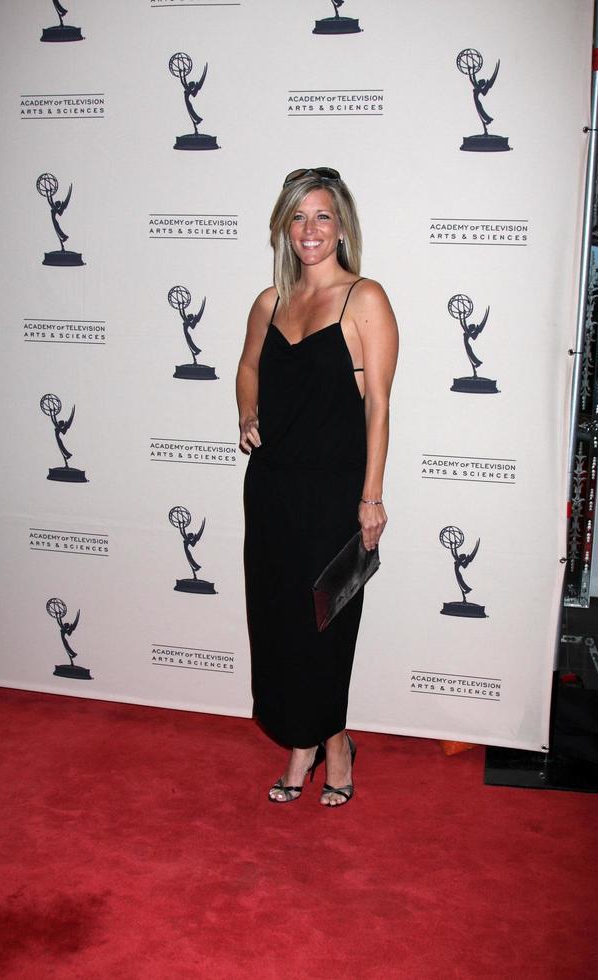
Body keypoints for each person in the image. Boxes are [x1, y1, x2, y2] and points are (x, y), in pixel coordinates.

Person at [236, 167, 398, 807]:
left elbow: (378, 407)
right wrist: (248, 414)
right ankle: (304, 742)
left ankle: (331, 747)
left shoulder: (366, 299)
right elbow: (248, 367)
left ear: (341, 226)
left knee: (324, 629)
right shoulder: (269, 302)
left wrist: (372, 497)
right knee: (277, 627)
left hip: (334, 501)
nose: (310, 229)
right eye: (298, 216)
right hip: (271, 491)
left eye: (322, 216)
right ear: (284, 225)